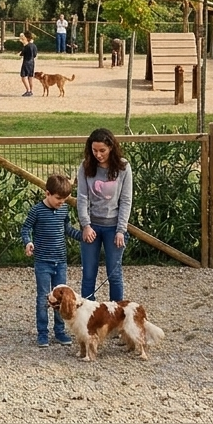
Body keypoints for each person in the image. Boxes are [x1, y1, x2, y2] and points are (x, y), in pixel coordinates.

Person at [21, 174, 82, 347]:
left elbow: (67, 229)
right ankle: (42, 332)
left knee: (61, 298)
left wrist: (82, 236)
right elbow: (25, 228)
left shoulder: (63, 210)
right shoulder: (37, 210)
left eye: (64, 199)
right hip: (42, 262)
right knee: (43, 297)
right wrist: (28, 242)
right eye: (58, 199)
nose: (61, 202)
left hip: (61, 261)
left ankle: (60, 331)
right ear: (47, 193)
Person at [75, 128, 132, 302]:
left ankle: (116, 316)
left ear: (111, 148)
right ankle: (88, 318)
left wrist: (121, 230)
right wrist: (85, 225)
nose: (98, 155)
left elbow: (126, 200)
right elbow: (82, 198)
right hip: (92, 226)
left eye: (102, 151)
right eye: (94, 151)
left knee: (114, 275)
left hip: (114, 227)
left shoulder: (123, 168)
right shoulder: (85, 167)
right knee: (88, 275)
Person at [19, 32, 37, 96]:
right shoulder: (34, 46)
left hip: (26, 62)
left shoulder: (27, 46)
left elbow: (22, 53)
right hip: (32, 62)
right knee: (30, 76)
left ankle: (28, 90)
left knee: (23, 76)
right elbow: (35, 54)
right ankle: (31, 90)